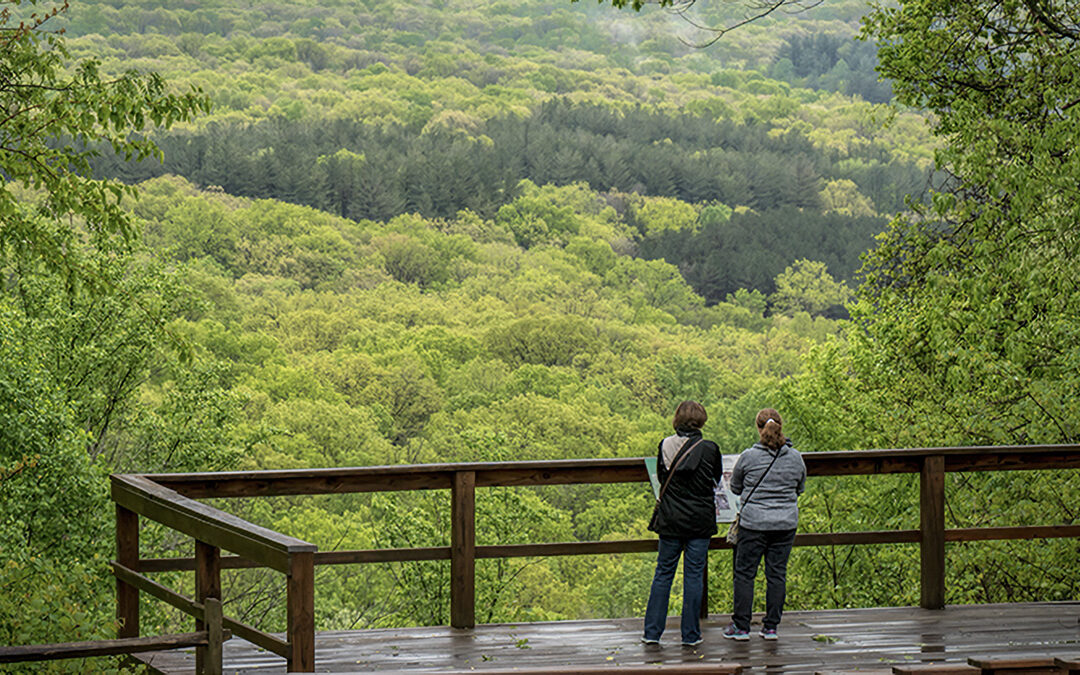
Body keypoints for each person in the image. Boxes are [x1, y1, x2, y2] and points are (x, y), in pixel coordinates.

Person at [642, 400, 724, 647]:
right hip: (699, 520)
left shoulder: (665, 445)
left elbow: (661, 476)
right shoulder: (710, 448)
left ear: (677, 420)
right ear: (701, 421)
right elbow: (717, 479)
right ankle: (690, 635)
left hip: (671, 519)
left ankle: (652, 632)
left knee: (663, 574)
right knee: (694, 575)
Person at [722, 408, 806, 641]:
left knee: (745, 574)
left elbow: (736, 488)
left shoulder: (748, 457)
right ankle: (771, 627)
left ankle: (741, 627)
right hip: (785, 524)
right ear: (781, 427)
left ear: (759, 429)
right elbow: (800, 488)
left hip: (754, 524)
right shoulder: (795, 457)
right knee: (777, 574)